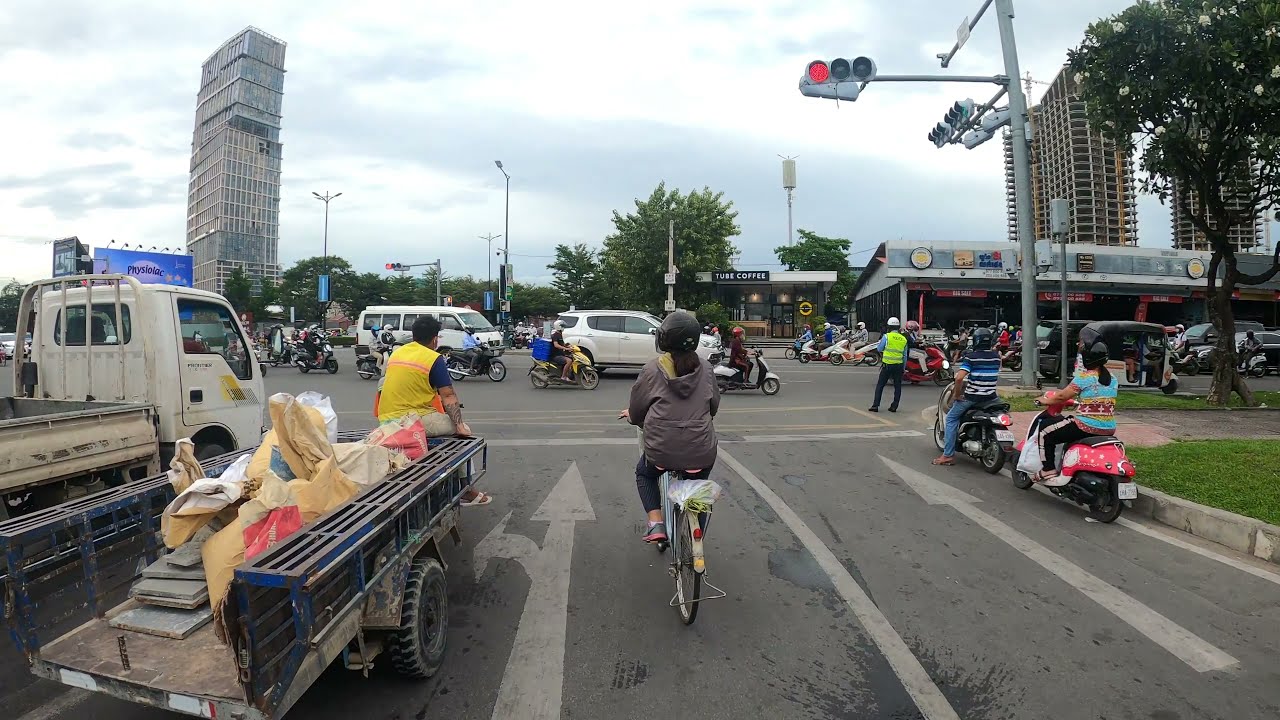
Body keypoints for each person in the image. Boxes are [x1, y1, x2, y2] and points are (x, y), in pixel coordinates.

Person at [620, 311, 719, 543]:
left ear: (663, 338)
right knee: (697, 486)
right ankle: (696, 537)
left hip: (661, 451)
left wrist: (632, 417)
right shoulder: (706, 368)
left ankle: (656, 523)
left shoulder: (652, 369)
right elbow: (713, 406)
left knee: (644, 473)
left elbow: (637, 410)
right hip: (701, 451)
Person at [377, 315, 490, 505]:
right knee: (462, 432)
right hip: (412, 419)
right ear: (435, 339)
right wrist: (459, 426)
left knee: (447, 425)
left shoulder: (398, 353)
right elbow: (448, 396)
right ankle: (466, 490)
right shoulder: (432, 358)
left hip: (386, 418)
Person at [1035, 340, 1118, 485]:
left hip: (1086, 426)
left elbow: (1061, 396)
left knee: (1045, 432)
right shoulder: (1113, 379)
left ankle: (1048, 469)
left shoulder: (1085, 377)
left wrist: (1044, 400)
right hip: (1109, 428)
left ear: (1087, 358)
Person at [933, 328, 1001, 466]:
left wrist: (957, 395)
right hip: (991, 398)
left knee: (951, 418)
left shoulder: (971, 357)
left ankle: (947, 455)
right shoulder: (996, 357)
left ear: (976, 341)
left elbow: (959, 378)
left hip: (973, 397)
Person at [869, 317, 908, 413]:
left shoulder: (886, 337)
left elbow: (879, 349)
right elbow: (905, 356)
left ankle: (875, 405)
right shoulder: (903, 339)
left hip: (887, 365)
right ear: (898, 327)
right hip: (898, 366)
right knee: (897, 386)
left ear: (889, 327)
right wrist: (903, 368)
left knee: (880, 385)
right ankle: (894, 406)